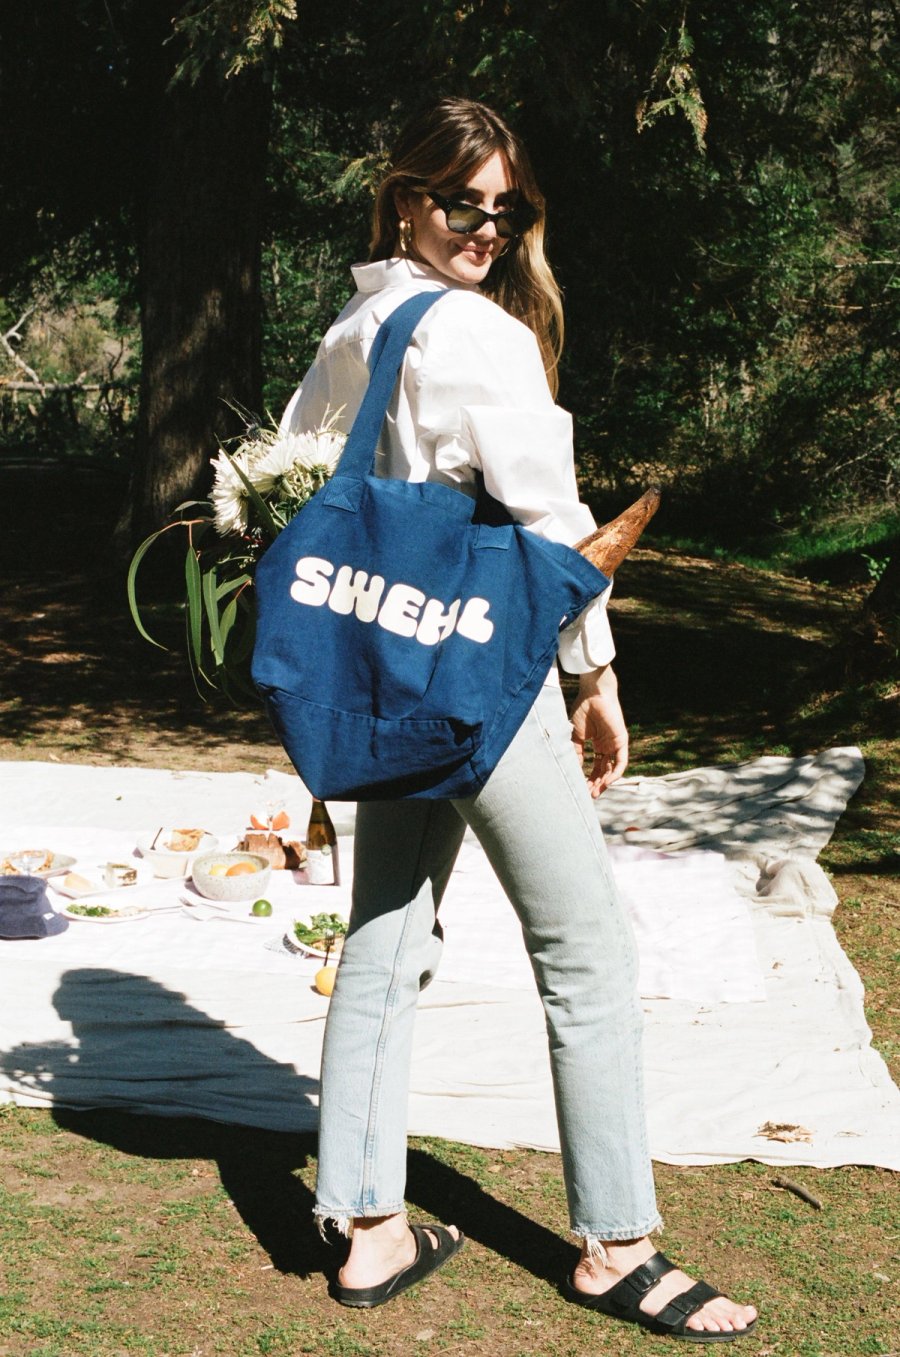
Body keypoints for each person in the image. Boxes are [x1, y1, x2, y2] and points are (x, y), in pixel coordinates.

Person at [280, 96, 758, 1342]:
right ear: (403, 196)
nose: (487, 226)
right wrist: (595, 679)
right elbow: (552, 533)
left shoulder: (360, 326)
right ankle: (620, 1246)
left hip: (386, 679)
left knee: (384, 940)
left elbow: (288, 471)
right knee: (587, 953)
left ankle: (367, 1225)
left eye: (508, 207)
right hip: (486, 685)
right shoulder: (483, 339)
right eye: (461, 202)